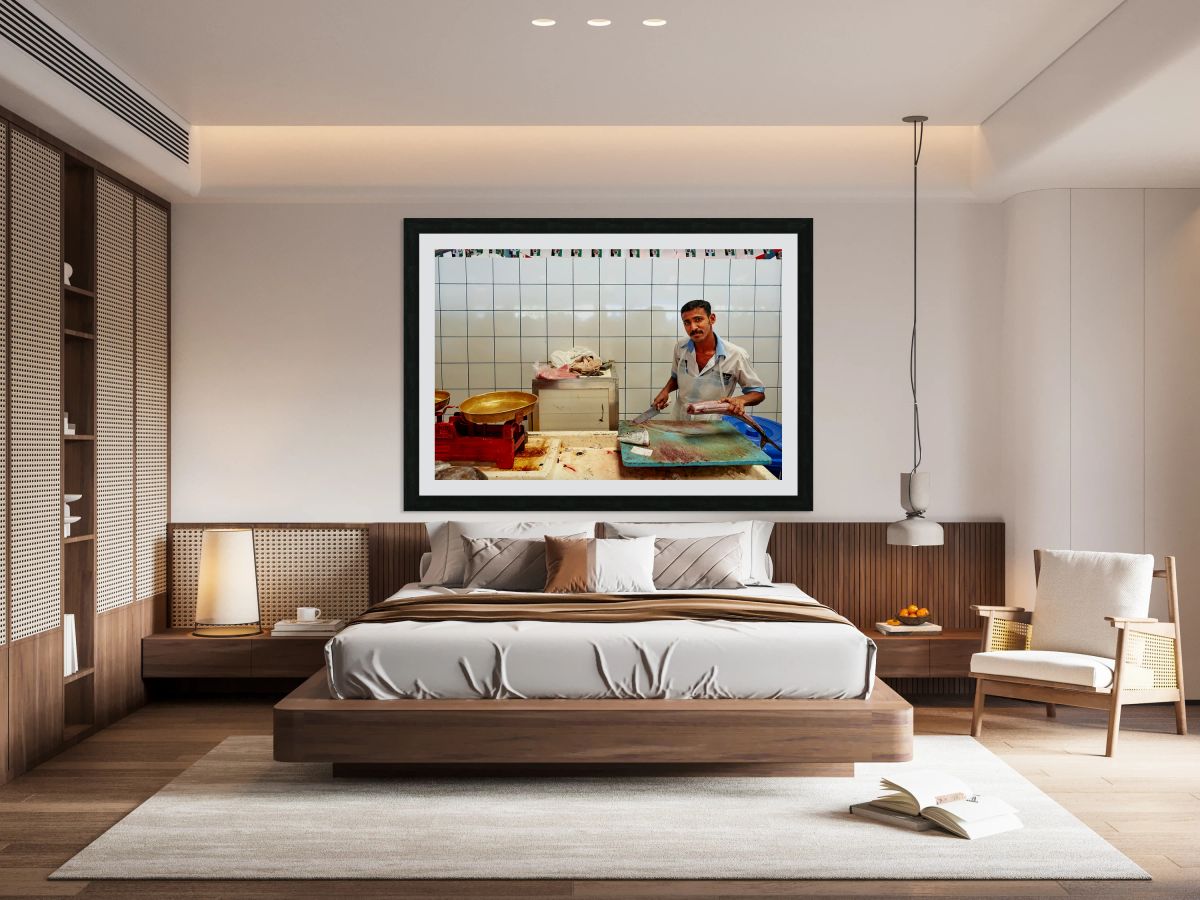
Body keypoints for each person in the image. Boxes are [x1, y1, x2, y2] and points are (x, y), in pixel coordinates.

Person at [652, 299, 765, 420]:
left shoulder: (736, 355)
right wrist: (666, 391)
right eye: (687, 322)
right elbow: (676, 377)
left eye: (698, 319)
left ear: (712, 319)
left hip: (713, 425)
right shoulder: (680, 347)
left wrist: (740, 400)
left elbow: (758, 393)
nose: (693, 327)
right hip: (679, 419)